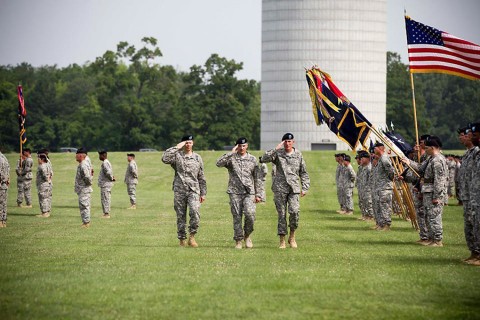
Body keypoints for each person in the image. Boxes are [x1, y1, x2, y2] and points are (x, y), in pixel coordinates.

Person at [260, 133, 310, 249]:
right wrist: (275, 149)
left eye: (289, 141)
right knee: (281, 214)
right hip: (280, 188)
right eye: (285, 141)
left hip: (294, 188)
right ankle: (282, 240)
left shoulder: (298, 154)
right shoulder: (278, 153)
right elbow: (263, 159)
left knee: (294, 212)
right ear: (282, 143)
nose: (287, 143)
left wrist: (305, 187)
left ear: (293, 142)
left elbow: (303, 172)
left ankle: (292, 236)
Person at [216, 137, 262, 249]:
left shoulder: (252, 159)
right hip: (235, 192)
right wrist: (231, 153)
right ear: (236, 146)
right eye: (239, 146)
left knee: (250, 214)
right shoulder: (231, 158)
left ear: (247, 146)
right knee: (237, 217)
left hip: (248, 192)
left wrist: (258, 194)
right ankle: (238, 240)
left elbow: (257, 178)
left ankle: (247, 235)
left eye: (244, 146)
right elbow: (218, 163)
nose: (242, 148)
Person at [162, 135, 207, 247]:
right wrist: (177, 147)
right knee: (180, 216)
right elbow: (164, 158)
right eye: (186, 143)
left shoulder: (197, 158)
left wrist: (203, 192)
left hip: (194, 190)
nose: (188, 145)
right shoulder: (177, 156)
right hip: (180, 190)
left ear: (193, 144)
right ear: (183, 144)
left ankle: (192, 237)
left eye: (190, 142)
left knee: (195, 212)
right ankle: (182, 239)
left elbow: (201, 176)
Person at [403, 136, 448, 246]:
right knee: (428, 215)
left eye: (426, 147)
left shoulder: (438, 160)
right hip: (427, 190)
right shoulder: (430, 159)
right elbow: (420, 168)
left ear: (432, 147)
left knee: (434, 215)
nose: (424, 149)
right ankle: (432, 238)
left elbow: (439, 180)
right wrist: (408, 162)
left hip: (433, 191)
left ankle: (437, 240)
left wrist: (437, 196)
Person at [456, 125, 478, 262]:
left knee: (477, 225)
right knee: (469, 225)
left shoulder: (477, 153)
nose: (467, 137)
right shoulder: (469, 154)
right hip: (468, 195)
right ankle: (474, 253)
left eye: (472, 135)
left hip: (475, 195)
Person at [371, 142, 395, 231]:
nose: (374, 150)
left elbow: (391, 172)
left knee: (385, 206)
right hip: (380, 187)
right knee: (380, 206)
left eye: (375, 148)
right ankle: (381, 224)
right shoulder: (380, 159)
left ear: (380, 148)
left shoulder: (384, 159)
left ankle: (387, 225)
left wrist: (388, 181)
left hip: (385, 187)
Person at [75, 148, 93, 228]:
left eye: (77, 155)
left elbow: (87, 177)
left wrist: (88, 184)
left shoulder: (83, 165)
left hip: (84, 188)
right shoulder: (82, 164)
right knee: (83, 205)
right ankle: (85, 222)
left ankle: (86, 223)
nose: (75, 157)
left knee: (84, 205)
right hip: (82, 188)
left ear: (81, 155)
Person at [357, 151, 374, 221]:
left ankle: (371, 216)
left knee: (369, 202)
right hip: (363, 188)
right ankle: (366, 215)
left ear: (368, 159)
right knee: (364, 202)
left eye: (363, 158)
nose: (361, 160)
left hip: (368, 189)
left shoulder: (369, 168)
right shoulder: (364, 167)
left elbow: (371, 180)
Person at [98, 150, 115, 218]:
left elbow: (108, 172)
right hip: (105, 184)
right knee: (106, 198)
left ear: (103, 155)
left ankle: (106, 214)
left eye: (100, 155)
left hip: (105, 184)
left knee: (105, 198)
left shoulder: (105, 163)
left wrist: (111, 178)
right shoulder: (106, 162)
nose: (99, 157)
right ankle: (106, 213)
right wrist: (111, 178)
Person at [36, 153, 53, 218]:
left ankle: (44, 213)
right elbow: (51, 173)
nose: (38, 160)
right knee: (47, 198)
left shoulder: (42, 166)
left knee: (43, 198)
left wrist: (47, 179)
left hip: (43, 184)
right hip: (48, 184)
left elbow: (45, 175)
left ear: (42, 159)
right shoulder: (48, 165)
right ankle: (47, 211)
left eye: (38, 158)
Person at [0, 150, 10, 228]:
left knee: (1, 204)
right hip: (4, 184)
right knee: (3, 204)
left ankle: (0, 222)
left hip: (1, 184)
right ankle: (3, 221)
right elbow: (8, 170)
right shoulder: (4, 157)